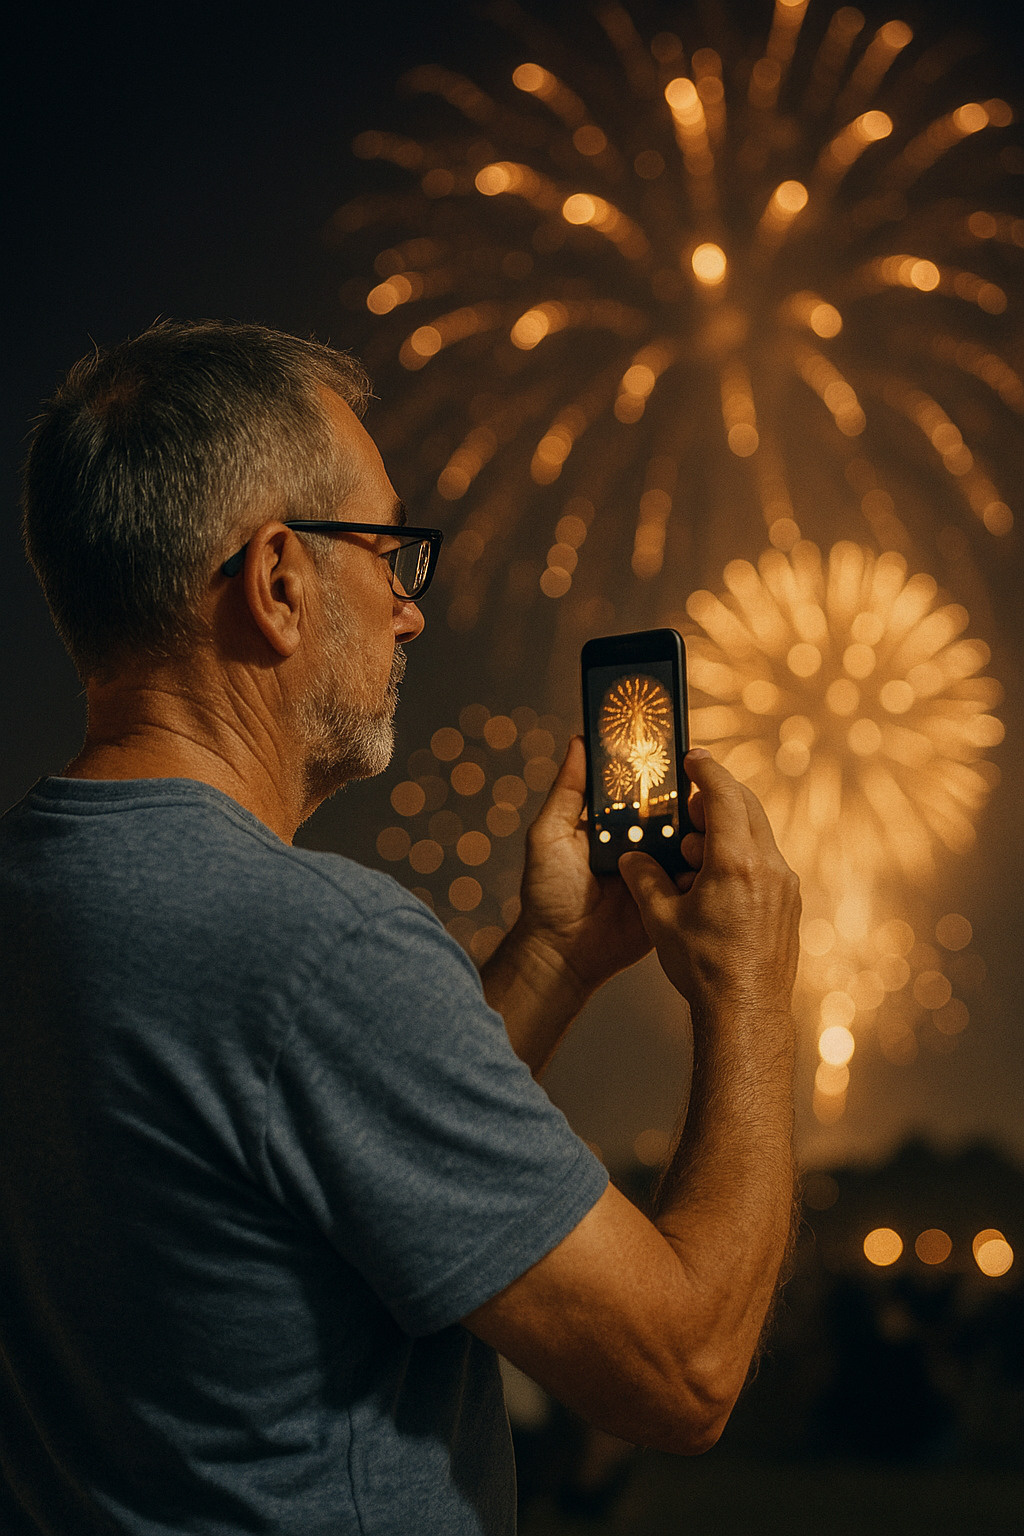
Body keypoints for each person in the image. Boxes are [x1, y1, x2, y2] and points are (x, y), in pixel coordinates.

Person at [0, 319, 801, 1536]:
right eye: (390, 554)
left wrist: (547, 960)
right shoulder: (324, 945)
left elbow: (310, 1154)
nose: (411, 613)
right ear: (276, 582)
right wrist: (751, 994)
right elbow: (686, 1369)